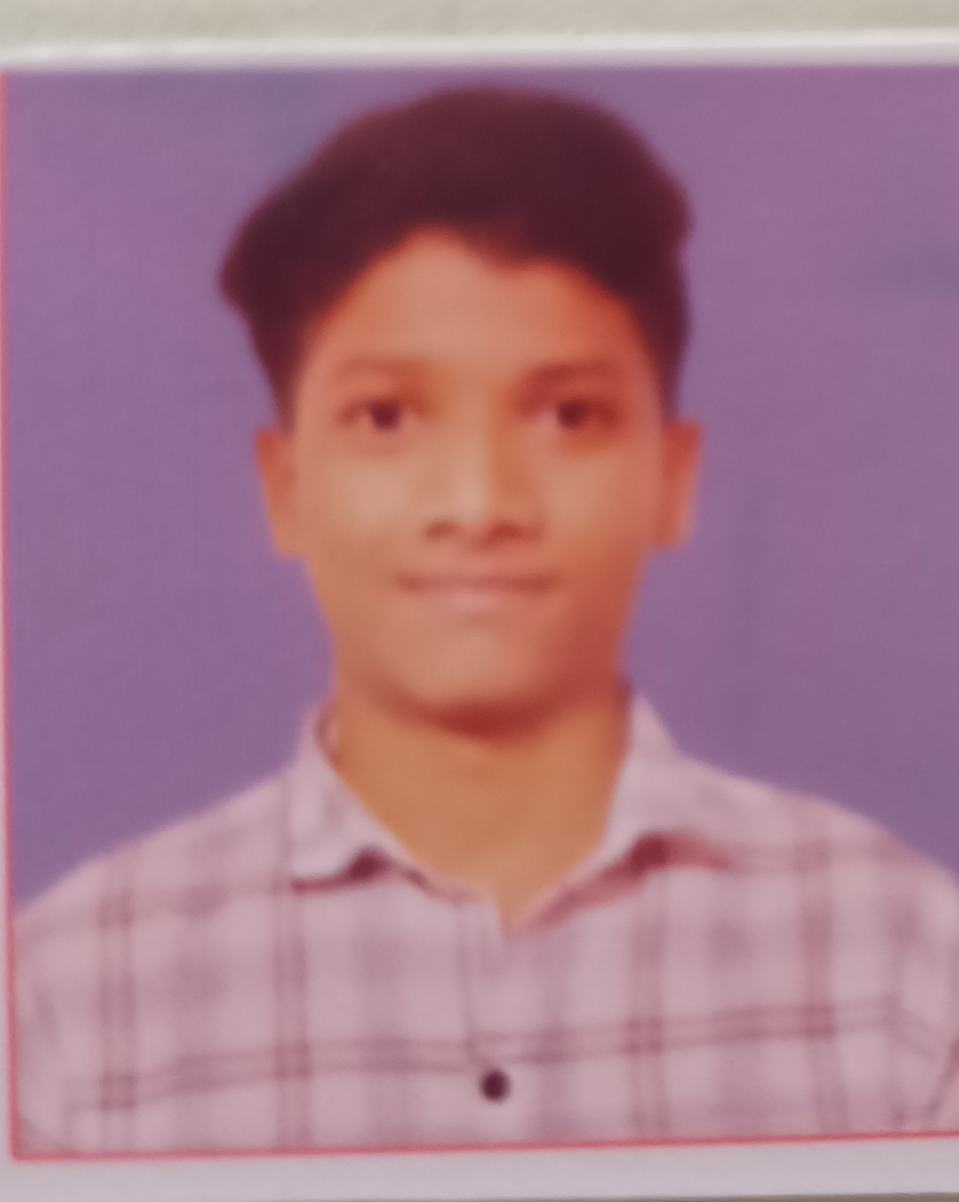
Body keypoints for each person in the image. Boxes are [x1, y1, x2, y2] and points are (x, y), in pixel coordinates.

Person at [13, 85, 959, 1156]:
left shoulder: (905, 966)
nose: (477, 504)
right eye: (385, 416)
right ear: (284, 488)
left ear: (671, 477)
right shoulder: (63, 1005)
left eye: (568, 415)